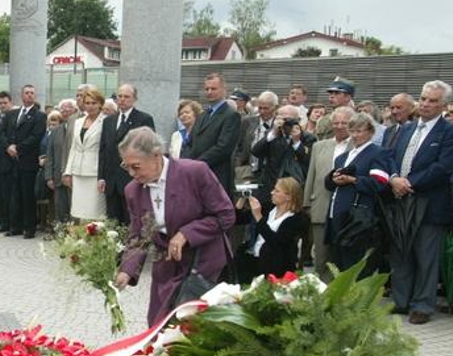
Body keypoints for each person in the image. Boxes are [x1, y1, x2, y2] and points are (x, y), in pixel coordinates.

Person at [115, 127, 236, 325]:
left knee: (194, 328)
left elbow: (225, 215)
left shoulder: (195, 172)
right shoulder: (133, 191)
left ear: (156, 156)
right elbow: (138, 236)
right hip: (167, 266)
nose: (131, 173)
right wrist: (126, 271)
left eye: (136, 166)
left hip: (203, 264)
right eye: (126, 166)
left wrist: (186, 234)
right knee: (159, 326)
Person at [386, 81, 453, 324]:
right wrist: (394, 179)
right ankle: (401, 300)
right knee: (401, 251)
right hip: (400, 200)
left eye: (432, 100)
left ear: (444, 105)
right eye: (423, 98)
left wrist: (409, 183)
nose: (425, 104)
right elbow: (391, 157)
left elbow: (443, 167)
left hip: (429, 203)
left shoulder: (449, 132)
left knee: (426, 256)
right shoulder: (406, 129)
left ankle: (423, 305)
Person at [324, 113, 390, 274]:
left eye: (359, 131)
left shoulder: (377, 152)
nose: (355, 135)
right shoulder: (342, 157)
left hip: (358, 218)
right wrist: (334, 179)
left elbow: (379, 183)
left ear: (370, 131)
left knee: (356, 267)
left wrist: (353, 180)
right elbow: (329, 185)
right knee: (338, 264)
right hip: (336, 214)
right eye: (352, 131)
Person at [303, 106, 352, 281]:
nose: (339, 126)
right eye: (336, 122)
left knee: (342, 258)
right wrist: (307, 202)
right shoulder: (319, 146)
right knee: (321, 258)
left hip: (347, 210)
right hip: (320, 205)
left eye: (344, 123)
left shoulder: (358, 146)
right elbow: (311, 176)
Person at [97, 84, 156, 225]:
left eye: (126, 96)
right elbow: (103, 150)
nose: (122, 99)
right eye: (120, 96)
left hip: (132, 178)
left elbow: (148, 148)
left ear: (134, 99)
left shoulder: (144, 119)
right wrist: (101, 177)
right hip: (111, 181)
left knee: (131, 219)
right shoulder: (108, 121)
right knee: (112, 221)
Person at [237, 177, 309, 282]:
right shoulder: (268, 208)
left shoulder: (297, 219)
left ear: (289, 196)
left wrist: (258, 216)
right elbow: (238, 220)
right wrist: (242, 199)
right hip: (254, 259)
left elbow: (275, 242)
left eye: (277, 191)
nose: (272, 193)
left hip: (276, 265)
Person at [186, 73, 241, 201]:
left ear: (224, 90)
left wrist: (198, 164)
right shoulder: (202, 115)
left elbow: (224, 147)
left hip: (216, 175)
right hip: (196, 175)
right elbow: (190, 143)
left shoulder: (231, 115)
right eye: (207, 89)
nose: (209, 92)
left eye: (213, 89)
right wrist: (187, 165)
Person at [250, 104, 313, 207]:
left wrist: (297, 142)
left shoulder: (308, 138)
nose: (286, 122)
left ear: (298, 120)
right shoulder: (273, 135)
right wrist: (273, 133)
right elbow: (256, 152)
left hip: (294, 187)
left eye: (290, 119)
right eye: (283, 118)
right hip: (271, 186)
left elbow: (308, 161)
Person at [7, 85, 47, 238]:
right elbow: (8, 132)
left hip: (28, 161)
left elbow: (35, 137)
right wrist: (9, 146)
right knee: (14, 194)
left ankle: (29, 228)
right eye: (27, 93)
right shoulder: (13, 114)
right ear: (21, 95)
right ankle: (14, 226)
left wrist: (18, 148)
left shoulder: (39, 116)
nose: (29, 95)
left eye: (32, 93)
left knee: (28, 196)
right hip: (13, 160)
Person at [64, 87, 106, 221]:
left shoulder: (106, 122)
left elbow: (106, 150)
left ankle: (96, 239)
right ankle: (81, 240)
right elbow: (74, 148)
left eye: (94, 103)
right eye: (87, 103)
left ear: (100, 104)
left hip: (94, 173)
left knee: (95, 213)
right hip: (78, 172)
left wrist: (103, 175)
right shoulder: (78, 122)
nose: (90, 106)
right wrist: (68, 172)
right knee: (79, 212)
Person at [0, 92, 18, 232]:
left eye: (5, 103)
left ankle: (7, 222)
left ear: (11, 103)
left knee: (7, 196)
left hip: (7, 164)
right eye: (0, 103)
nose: (2, 105)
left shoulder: (14, 119)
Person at [45, 99, 76, 223]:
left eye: (68, 107)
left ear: (75, 110)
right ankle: (61, 233)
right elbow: (50, 155)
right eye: (62, 108)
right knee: (60, 208)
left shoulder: (78, 128)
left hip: (73, 176)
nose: (65, 110)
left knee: (74, 208)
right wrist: (49, 177)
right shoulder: (56, 131)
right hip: (57, 176)